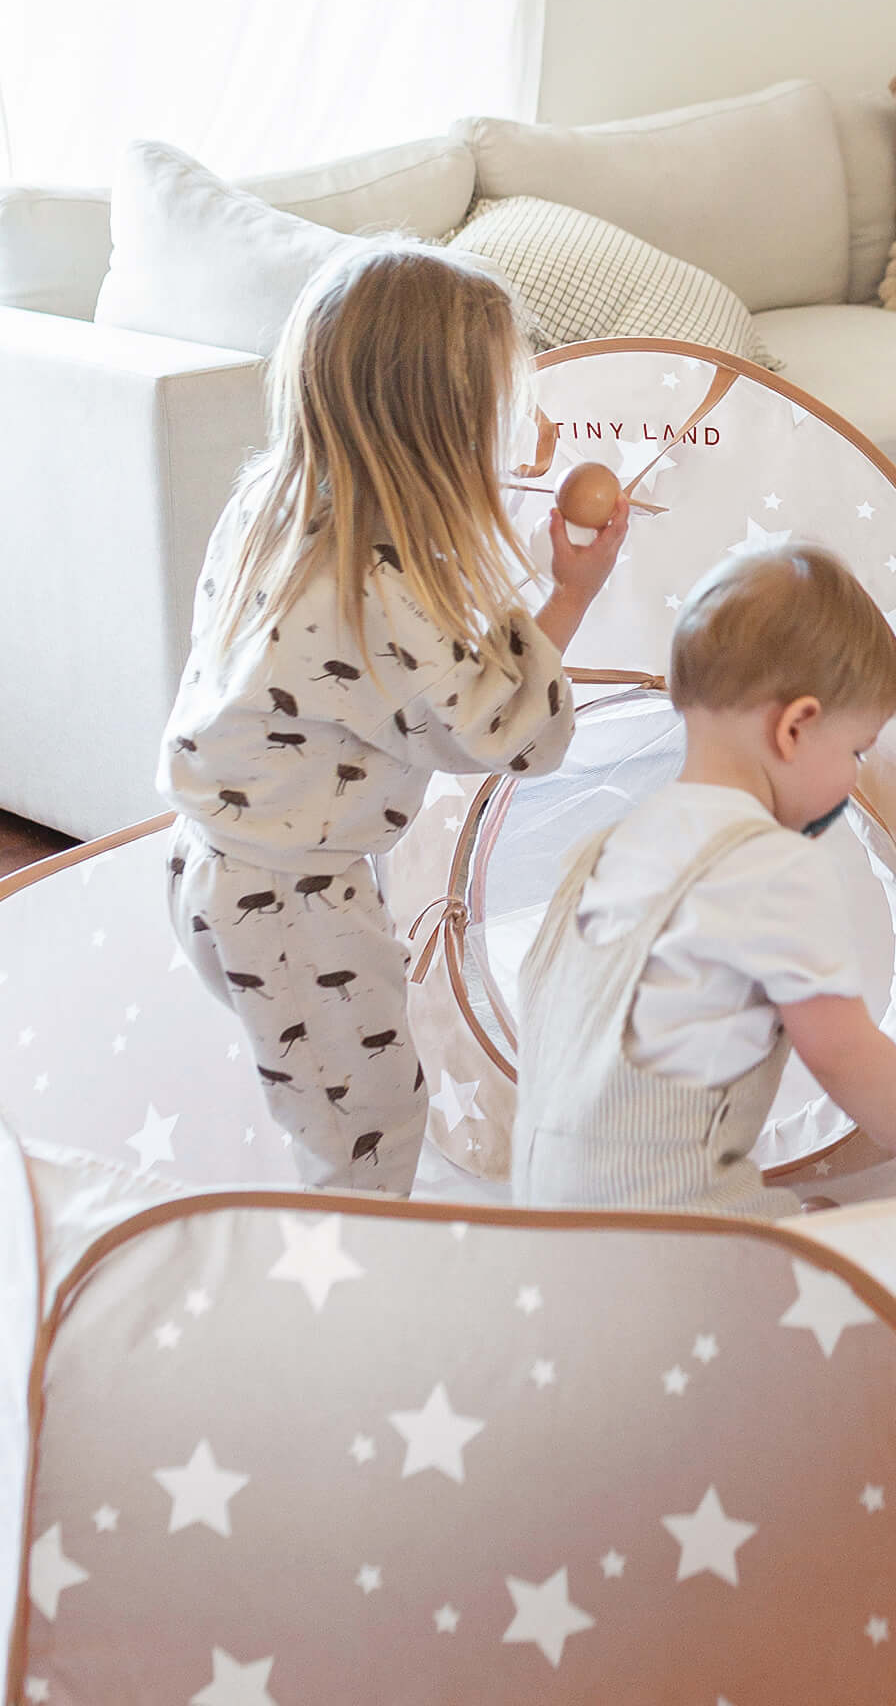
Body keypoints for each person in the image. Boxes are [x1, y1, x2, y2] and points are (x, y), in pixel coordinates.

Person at [161, 242, 627, 1195]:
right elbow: (514, 736)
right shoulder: (393, 583)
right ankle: (353, 1297)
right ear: (445, 432)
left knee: (320, 1099)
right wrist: (571, 592)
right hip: (293, 901)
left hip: (209, 859)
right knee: (367, 1129)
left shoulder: (275, 499)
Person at [512, 543, 896, 1212]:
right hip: (665, 1230)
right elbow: (843, 1053)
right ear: (796, 727)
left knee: (800, 1215)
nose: (857, 774)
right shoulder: (772, 863)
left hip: (542, 1220)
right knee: (847, 1267)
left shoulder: (610, 848)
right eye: (856, 750)